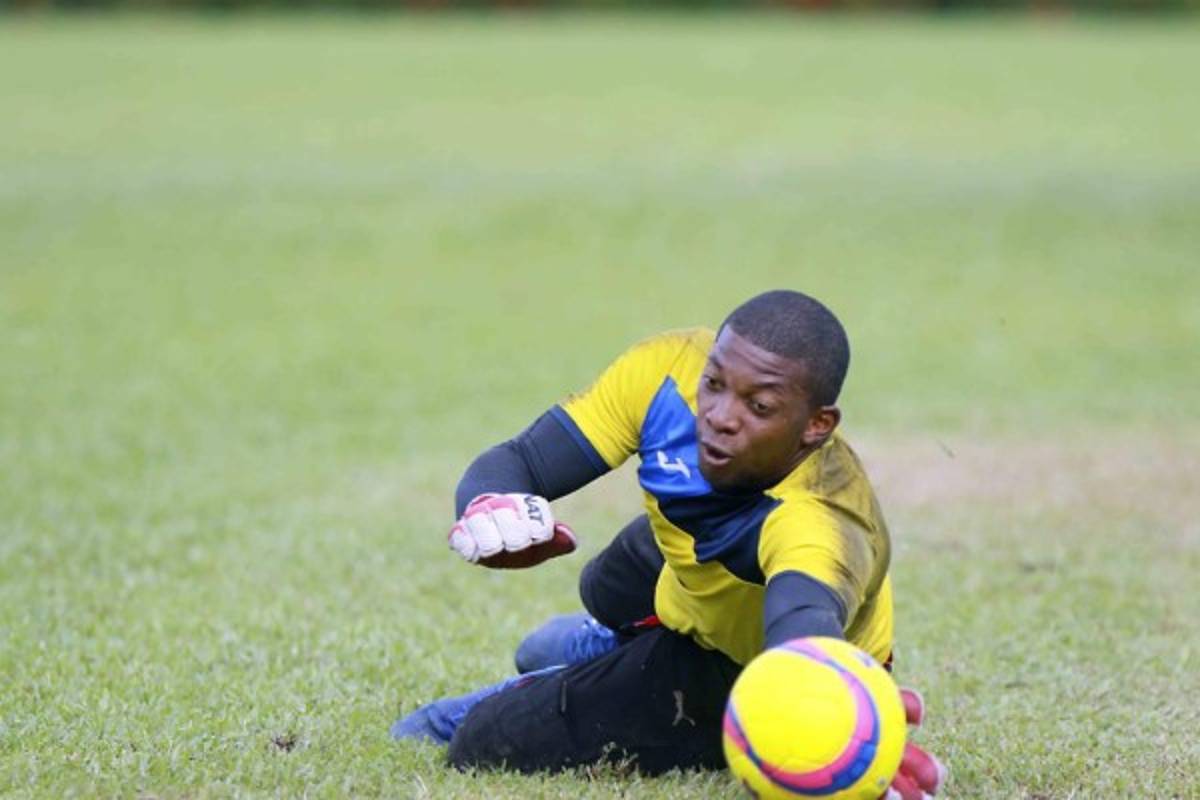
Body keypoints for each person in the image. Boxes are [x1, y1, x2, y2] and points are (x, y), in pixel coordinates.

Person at [391, 290, 944, 799]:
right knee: (605, 581)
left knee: (481, 738)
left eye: (759, 407)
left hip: (741, 659)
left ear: (816, 426)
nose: (720, 416)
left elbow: (800, 631)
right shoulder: (668, 372)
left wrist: (838, 728)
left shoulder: (822, 518)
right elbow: (526, 460)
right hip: (691, 576)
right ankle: (614, 643)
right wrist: (492, 504)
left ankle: (594, 669)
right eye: (716, 384)